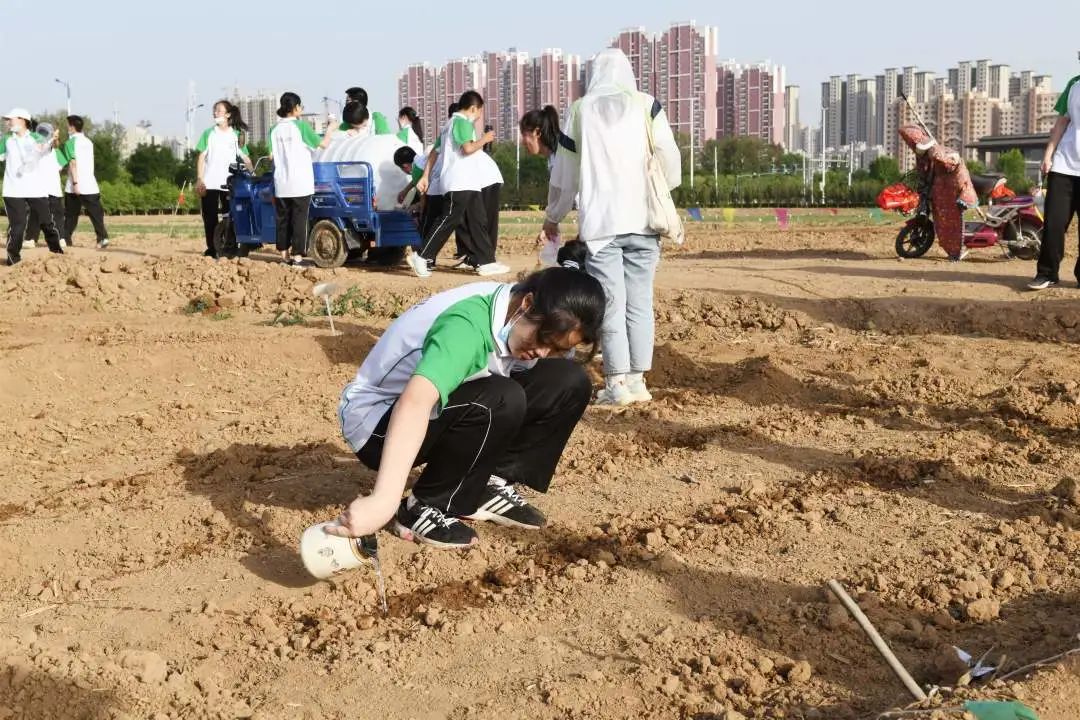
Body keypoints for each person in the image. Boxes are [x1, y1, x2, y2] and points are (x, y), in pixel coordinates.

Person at [328, 267, 605, 548]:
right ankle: (421, 507)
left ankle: (486, 484)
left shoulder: (516, 313)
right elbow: (415, 402)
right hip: (378, 424)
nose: (544, 352)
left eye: (557, 347)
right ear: (528, 304)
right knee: (501, 397)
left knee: (568, 380)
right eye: (543, 340)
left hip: (440, 405)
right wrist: (382, 500)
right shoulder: (467, 325)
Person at [542, 48, 681, 406]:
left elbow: (565, 172)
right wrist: (660, 187)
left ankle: (616, 383)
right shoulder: (647, 105)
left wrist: (553, 214)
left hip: (603, 224)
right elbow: (668, 154)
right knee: (640, 302)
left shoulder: (580, 110)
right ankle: (638, 381)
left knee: (611, 303)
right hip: (644, 220)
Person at [411, 91, 506, 278]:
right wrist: (485, 139)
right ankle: (422, 256)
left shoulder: (448, 125)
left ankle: (486, 262)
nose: (479, 116)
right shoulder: (462, 122)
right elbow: (468, 148)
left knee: (478, 221)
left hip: (469, 183)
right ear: (473, 108)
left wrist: (425, 176)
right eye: (479, 112)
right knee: (448, 220)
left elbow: (434, 153)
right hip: (459, 181)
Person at [1029, 58, 1080, 290]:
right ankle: (1047, 272)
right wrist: (1048, 155)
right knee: (1054, 224)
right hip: (1064, 165)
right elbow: (1061, 123)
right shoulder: (1074, 85)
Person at [898, 125, 977, 263]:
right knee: (942, 222)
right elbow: (924, 174)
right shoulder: (923, 157)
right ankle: (952, 250)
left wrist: (940, 158)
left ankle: (957, 251)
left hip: (952, 190)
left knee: (951, 221)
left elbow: (952, 162)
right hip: (940, 192)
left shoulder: (940, 152)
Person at [268, 92, 329, 266]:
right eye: (301, 106)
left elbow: (271, 156)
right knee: (299, 221)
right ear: (295, 108)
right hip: (300, 183)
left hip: (281, 183)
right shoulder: (301, 126)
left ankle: (284, 256)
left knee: (283, 220)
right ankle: (298, 258)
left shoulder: (274, 130)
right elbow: (323, 144)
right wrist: (331, 129)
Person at [2, 108, 63, 265]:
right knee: (18, 226)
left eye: (11, 119)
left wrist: (52, 139)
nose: (8, 122)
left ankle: (57, 254)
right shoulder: (6, 140)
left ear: (23, 120)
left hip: (36, 189)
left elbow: (44, 148)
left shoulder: (37, 137)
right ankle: (13, 260)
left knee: (46, 223)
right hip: (13, 190)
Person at [195, 101, 252, 258]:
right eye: (214, 110)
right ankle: (212, 250)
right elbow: (201, 157)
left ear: (227, 114)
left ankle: (229, 248)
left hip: (230, 184)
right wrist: (200, 179)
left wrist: (252, 174)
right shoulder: (208, 133)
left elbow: (245, 157)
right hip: (210, 182)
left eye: (218, 110)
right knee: (209, 217)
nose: (215, 113)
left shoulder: (236, 135)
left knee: (231, 216)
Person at [63, 115, 110, 250]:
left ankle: (66, 239)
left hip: (75, 185)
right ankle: (102, 237)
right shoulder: (88, 142)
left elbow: (72, 163)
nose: (67, 127)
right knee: (96, 214)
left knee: (71, 215)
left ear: (72, 126)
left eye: (68, 125)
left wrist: (76, 183)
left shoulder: (70, 143)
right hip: (90, 184)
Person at [24, 122, 68, 250]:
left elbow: (60, 166)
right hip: (39, 188)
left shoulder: (56, 151)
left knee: (57, 214)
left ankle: (60, 238)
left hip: (53, 187)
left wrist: (54, 139)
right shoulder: (37, 147)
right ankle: (31, 238)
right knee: (36, 214)